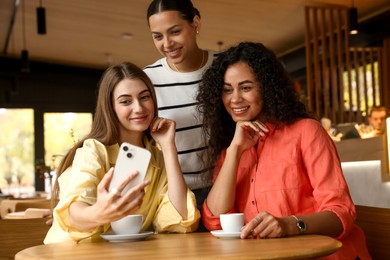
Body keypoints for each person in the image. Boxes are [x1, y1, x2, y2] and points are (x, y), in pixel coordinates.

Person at [196, 42, 371, 259]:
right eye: (227, 90)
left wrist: (290, 224)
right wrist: (235, 152)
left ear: (267, 87)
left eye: (246, 87)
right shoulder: (232, 148)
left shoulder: (307, 132)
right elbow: (214, 220)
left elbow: (340, 213)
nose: (235, 99)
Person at [44, 62, 200, 244]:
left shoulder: (158, 158)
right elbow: (74, 212)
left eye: (144, 97)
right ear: (111, 108)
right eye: (126, 101)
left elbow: (180, 220)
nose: (139, 108)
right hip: (71, 252)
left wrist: (168, 147)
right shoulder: (93, 151)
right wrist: (98, 213)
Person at [143, 0, 218, 230]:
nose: (167, 44)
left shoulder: (223, 68)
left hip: (227, 194)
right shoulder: (148, 80)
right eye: (157, 36)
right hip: (173, 200)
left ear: (195, 24)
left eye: (175, 31)